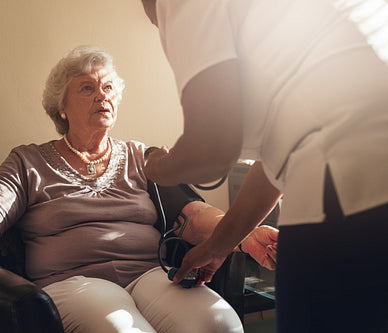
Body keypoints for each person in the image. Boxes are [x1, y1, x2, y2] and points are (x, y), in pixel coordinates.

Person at [0, 45, 278, 333]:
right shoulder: (29, 161)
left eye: (107, 88)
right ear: (61, 106)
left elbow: (193, 214)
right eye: (87, 88)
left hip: (150, 276)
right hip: (74, 283)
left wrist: (244, 234)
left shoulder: (143, 157)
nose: (101, 96)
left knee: (219, 323)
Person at [140, 0, 388, 332]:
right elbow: (275, 163)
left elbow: (212, 147)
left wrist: (157, 167)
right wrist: (218, 246)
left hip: (350, 180)